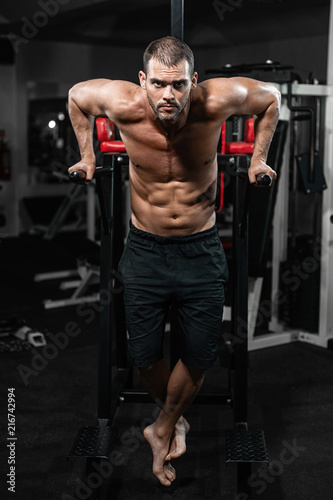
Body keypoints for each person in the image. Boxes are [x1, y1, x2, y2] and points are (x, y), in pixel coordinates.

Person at [68, 36, 280, 487]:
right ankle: (173, 416)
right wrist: (88, 156)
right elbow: (75, 97)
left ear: (194, 81)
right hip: (144, 249)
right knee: (144, 356)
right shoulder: (121, 102)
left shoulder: (216, 100)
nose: (169, 96)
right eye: (160, 85)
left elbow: (271, 99)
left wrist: (259, 160)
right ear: (142, 80)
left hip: (200, 249)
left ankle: (161, 426)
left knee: (201, 356)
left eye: (179, 85)